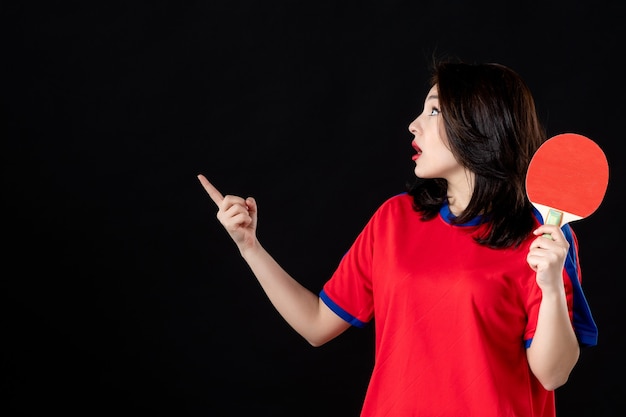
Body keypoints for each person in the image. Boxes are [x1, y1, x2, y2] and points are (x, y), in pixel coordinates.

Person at [197, 60, 598, 417]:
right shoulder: (394, 219)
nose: (414, 124)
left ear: (479, 121)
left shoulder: (542, 238)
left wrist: (549, 283)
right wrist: (249, 246)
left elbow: (553, 374)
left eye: (435, 109)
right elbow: (316, 324)